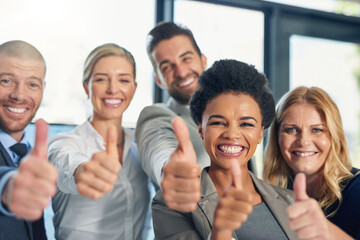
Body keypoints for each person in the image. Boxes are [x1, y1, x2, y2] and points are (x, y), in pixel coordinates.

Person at [152, 59, 297, 240]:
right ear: (200, 128)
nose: (232, 134)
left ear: (260, 133)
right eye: (218, 122)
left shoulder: (291, 201)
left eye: (246, 124)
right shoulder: (172, 204)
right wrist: (220, 232)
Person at [48, 43, 151, 240]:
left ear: (134, 88)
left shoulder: (140, 150)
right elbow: (65, 163)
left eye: (123, 80)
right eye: (102, 79)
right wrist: (82, 172)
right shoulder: (65, 143)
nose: (113, 89)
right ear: (86, 86)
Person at [264, 86, 359, 239]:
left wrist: (328, 232)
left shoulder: (356, 190)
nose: (303, 141)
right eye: (291, 130)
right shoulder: (272, 196)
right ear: (277, 138)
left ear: (334, 137)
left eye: (317, 130)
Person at [136, 21, 210, 212]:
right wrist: (170, 172)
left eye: (186, 59)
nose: (181, 72)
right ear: (159, 79)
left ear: (203, 60)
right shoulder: (157, 117)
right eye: (167, 67)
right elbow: (158, 148)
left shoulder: (233, 112)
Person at [0, 40, 58, 240]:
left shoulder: (32, 156)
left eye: (32, 84)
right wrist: (7, 186)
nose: (19, 95)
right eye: (6, 81)